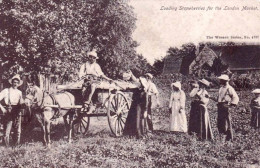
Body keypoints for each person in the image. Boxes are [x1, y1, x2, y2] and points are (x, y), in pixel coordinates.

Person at [0, 75, 24, 146]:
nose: (15, 84)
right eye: (14, 82)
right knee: (8, 129)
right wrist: (2, 108)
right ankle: (7, 146)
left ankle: (16, 146)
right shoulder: (6, 91)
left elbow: (21, 102)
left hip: (17, 111)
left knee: (18, 130)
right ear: (11, 82)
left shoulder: (19, 92)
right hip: (9, 111)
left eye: (17, 82)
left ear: (18, 83)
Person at [216, 74, 239, 141]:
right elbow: (219, 99)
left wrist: (231, 105)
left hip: (225, 107)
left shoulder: (230, 88)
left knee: (226, 122)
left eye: (221, 80)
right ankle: (222, 136)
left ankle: (229, 138)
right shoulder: (221, 88)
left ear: (225, 81)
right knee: (220, 122)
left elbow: (236, 97)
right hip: (220, 106)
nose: (220, 81)